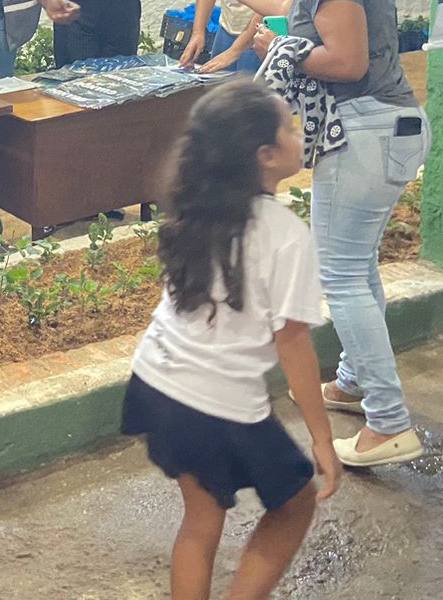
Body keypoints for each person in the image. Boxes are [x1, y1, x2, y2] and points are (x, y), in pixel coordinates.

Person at [196, 0, 429, 468]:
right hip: (392, 128)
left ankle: (389, 422)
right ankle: (353, 381)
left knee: (342, 275)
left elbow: (346, 61)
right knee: (359, 266)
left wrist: (283, 50)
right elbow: (296, 6)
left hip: (366, 132)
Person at [123, 79, 339, 600]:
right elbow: (293, 345)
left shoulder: (195, 211)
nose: (299, 133)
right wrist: (322, 438)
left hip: (155, 383)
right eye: (289, 128)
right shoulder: (285, 234)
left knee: (201, 521)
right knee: (296, 504)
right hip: (216, 405)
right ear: (265, 156)